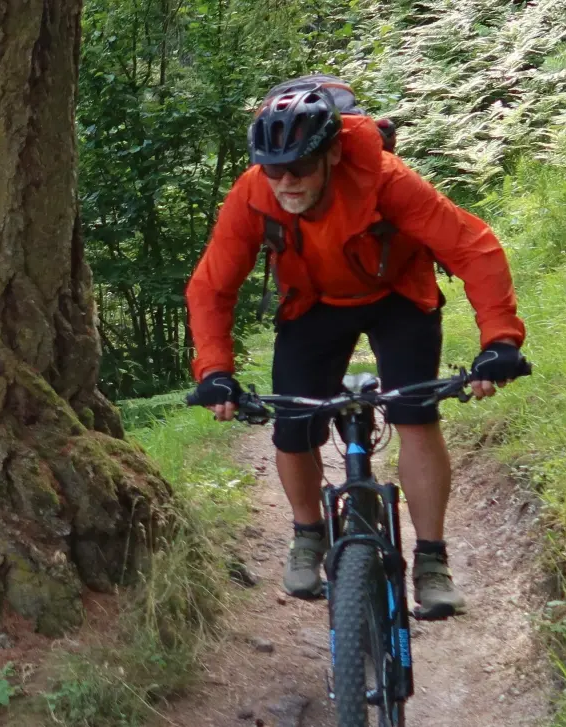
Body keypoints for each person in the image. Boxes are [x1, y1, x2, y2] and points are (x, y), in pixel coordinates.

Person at [184, 76, 530, 619]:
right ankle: (307, 535)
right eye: (274, 168)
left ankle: (432, 561)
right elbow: (211, 286)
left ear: (334, 153)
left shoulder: (384, 180)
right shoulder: (253, 194)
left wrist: (499, 341)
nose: (286, 181)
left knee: (415, 414)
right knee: (293, 425)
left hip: (397, 295)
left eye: (299, 165)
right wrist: (215, 371)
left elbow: (472, 247)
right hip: (315, 303)